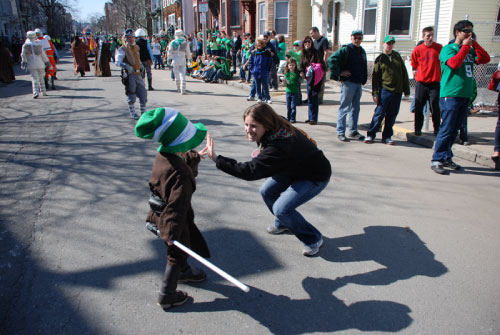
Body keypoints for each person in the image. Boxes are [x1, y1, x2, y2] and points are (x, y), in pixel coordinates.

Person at [201, 103, 331, 256]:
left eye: (254, 126)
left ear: (266, 125)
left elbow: (250, 171)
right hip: (291, 167)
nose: (248, 130)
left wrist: (217, 159)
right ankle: (285, 223)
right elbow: (268, 157)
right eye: (246, 124)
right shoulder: (276, 126)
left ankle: (313, 238)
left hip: (314, 175)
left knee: (282, 209)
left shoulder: (280, 145)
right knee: (266, 191)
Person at [135, 107, 210, 309]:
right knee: (175, 254)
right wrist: (171, 235)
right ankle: (167, 294)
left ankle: (185, 270)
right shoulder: (181, 175)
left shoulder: (163, 155)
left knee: (179, 251)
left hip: (160, 215)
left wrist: (193, 159)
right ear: (181, 142)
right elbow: (177, 206)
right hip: (174, 221)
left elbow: (176, 164)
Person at [430, 20, 490, 174]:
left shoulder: (469, 50)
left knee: (455, 130)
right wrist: (464, 47)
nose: (469, 34)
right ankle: (437, 159)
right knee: (447, 129)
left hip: (464, 95)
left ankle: (446, 157)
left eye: (471, 31)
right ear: (457, 32)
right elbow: (454, 64)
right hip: (451, 95)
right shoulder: (448, 49)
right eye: (466, 31)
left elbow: (485, 59)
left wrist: (474, 45)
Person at [364, 35, 410, 145]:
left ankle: (387, 136)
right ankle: (371, 134)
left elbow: (404, 73)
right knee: (379, 113)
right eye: (388, 43)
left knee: (392, 114)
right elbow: (375, 78)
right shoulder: (380, 59)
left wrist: (406, 90)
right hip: (385, 90)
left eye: (391, 43)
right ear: (383, 44)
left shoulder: (397, 56)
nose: (389, 45)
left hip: (397, 91)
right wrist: (375, 93)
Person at [327, 29, 367, 142]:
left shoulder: (362, 51)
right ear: (351, 38)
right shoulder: (346, 50)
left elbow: (363, 67)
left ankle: (353, 131)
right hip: (348, 83)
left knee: (355, 108)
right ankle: (340, 132)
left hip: (358, 83)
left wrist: (363, 79)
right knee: (344, 107)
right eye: (355, 37)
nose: (357, 40)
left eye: (360, 38)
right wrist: (339, 72)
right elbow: (331, 60)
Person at [411, 26, 442, 136]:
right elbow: (414, 64)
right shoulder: (418, 49)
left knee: (435, 107)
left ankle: (437, 129)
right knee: (419, 107)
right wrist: (415, 71)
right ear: (423, 37)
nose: (430, 38)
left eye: (432, 35)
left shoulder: (439, 48)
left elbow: (443, 62)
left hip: (434, 83)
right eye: (428, 36)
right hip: (421, 83)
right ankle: (417, 129)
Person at [116, 28, 148, 120]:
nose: (131, 39)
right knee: (132, 94)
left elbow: (137, 59)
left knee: (143, 94)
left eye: (132, 37)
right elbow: (118, 62)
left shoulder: (136, 48)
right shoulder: (122, 49)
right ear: (126, 38)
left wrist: (141, 65)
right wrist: (126, 66)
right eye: (129, 38)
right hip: (130, 75)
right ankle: (133, 112)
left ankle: (143, 113)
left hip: (138, 74)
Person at [300, 36, 325, 125]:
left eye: (309, 42)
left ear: (311, 43)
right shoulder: (303, 53)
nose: (307, 44)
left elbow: (321, 65)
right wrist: (302, 72)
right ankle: (310, 117)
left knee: (314, 98)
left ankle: (314, 119)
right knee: (310, 98)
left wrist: (313, 68)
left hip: (316, 78)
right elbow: (301, 65)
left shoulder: (316, 52)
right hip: (308, 78)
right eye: (306, 42)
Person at [21, 31, 51, 98]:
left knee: (35, 79)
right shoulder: (38, 45)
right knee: (41, 78)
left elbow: (23, 55)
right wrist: (48, 63)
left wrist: (23, 63)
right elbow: (44, 56)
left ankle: (35, 92)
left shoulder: (25, 46)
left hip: (31, 65)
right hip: (40, 64)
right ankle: (43, 91)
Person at [247, 37, 273, 103]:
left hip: (264, 72)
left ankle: (267, 98)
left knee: (265, 86)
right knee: (257, 86)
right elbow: (251, 62)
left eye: (260, 44)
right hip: (256, 72)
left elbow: (269, 62)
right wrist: (252, 70)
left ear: (262, 44)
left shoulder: (266, 53)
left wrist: (267, 70)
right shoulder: (254, 53)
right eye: (258, 44)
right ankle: (259, 98)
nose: (259, 45)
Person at [310, 27, 330, 104]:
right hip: (315, 65)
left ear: (316, 32)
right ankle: (313, 97)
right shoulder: (314, 41)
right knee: (314, 82)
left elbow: (326, 52)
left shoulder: (323, 40)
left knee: (321, 82)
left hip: (321, 65)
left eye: (312, 33)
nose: (311, 35)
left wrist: (324, 63)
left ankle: (319, 99)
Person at [167, 29, 191, 95]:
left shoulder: (173, 42)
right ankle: (183, 89)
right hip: (182, 58)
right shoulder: (184, 42)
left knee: (176, 74)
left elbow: (169, 51)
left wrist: (169, 59)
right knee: (182, 74)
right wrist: (189, 58)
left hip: (175, 58)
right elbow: (188, 52)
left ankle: (178, 88)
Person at [283, 58, 300, 123]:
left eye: (293, 65)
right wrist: (284, 81)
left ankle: (293, 118)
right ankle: (288, 117)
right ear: (288, 66)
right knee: (288, 106)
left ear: (295, 65)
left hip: (295, 92)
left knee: (293, 106)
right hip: (288, 91)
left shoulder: (297, 73)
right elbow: (285, 83)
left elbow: (298, 80)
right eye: (290, 65)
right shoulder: (287, 73)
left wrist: (301, 75)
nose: (291, 66)